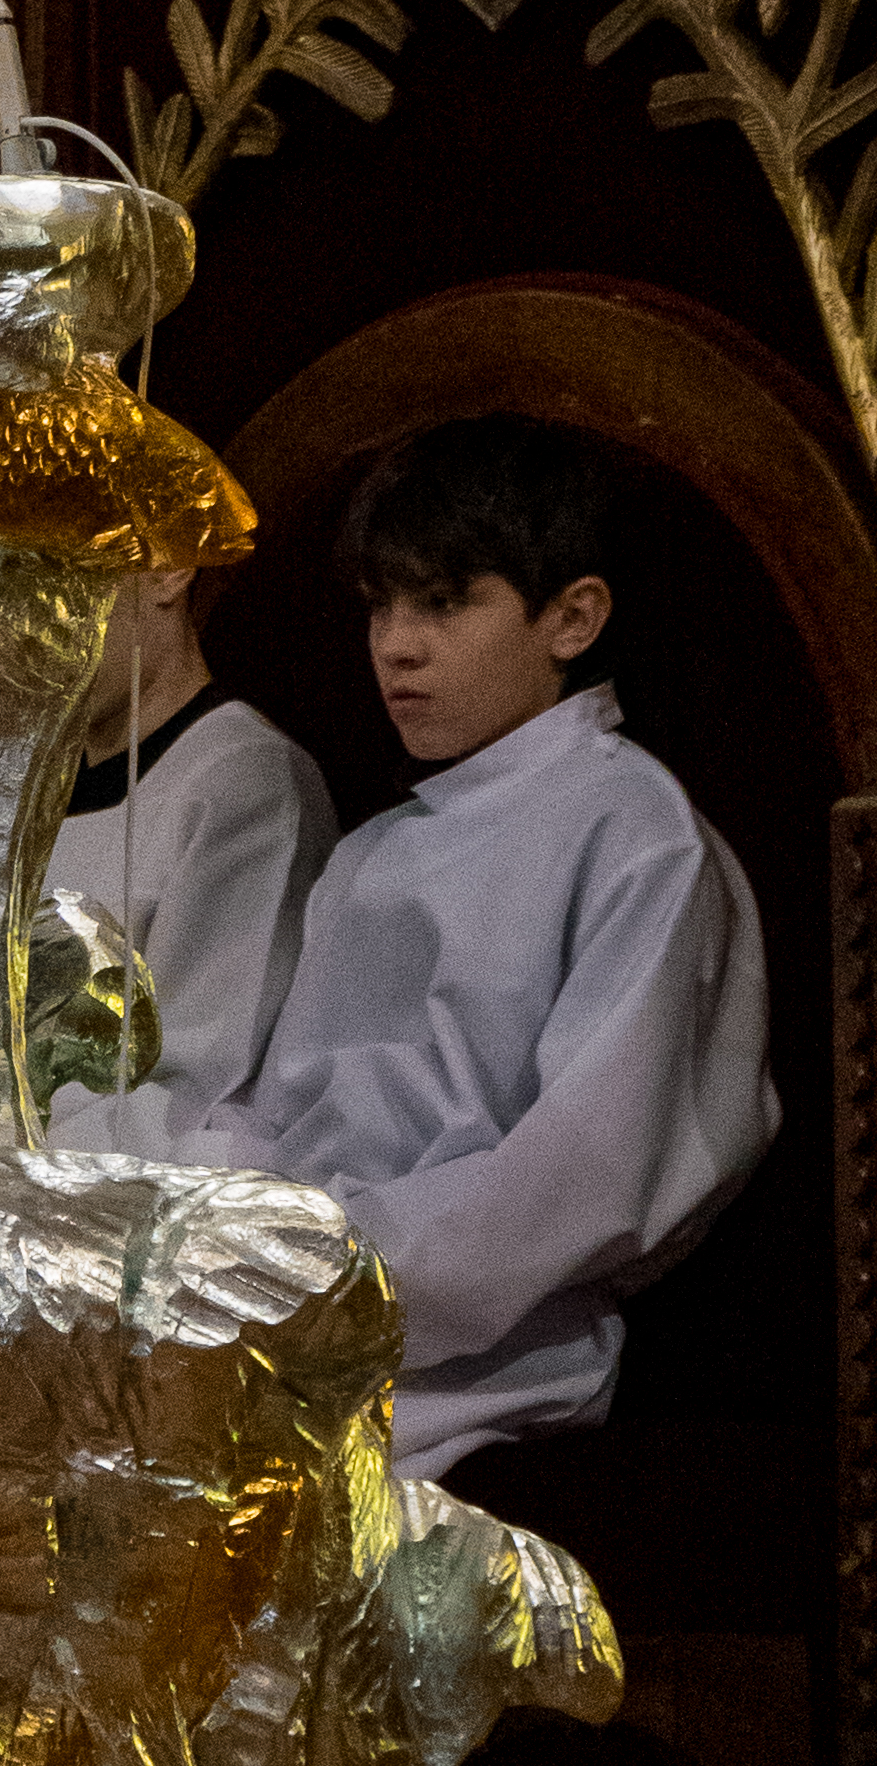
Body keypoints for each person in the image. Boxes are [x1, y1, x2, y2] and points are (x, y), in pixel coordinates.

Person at [206, 415, 776, 1481]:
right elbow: (284, 1118)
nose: (395, 643)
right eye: (380, 602)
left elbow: (584, 1179)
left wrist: (319, 1278)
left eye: (443, 600)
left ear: (572, 617)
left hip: (490, 1362)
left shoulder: (634, 831)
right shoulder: (371, 854)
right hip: (290, 1307)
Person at [41, 550, 334, 1151]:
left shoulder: (242, 779)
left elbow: (193, 1092)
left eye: (58, 574)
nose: (32, 623)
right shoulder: (29, 784)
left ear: (167, 568)